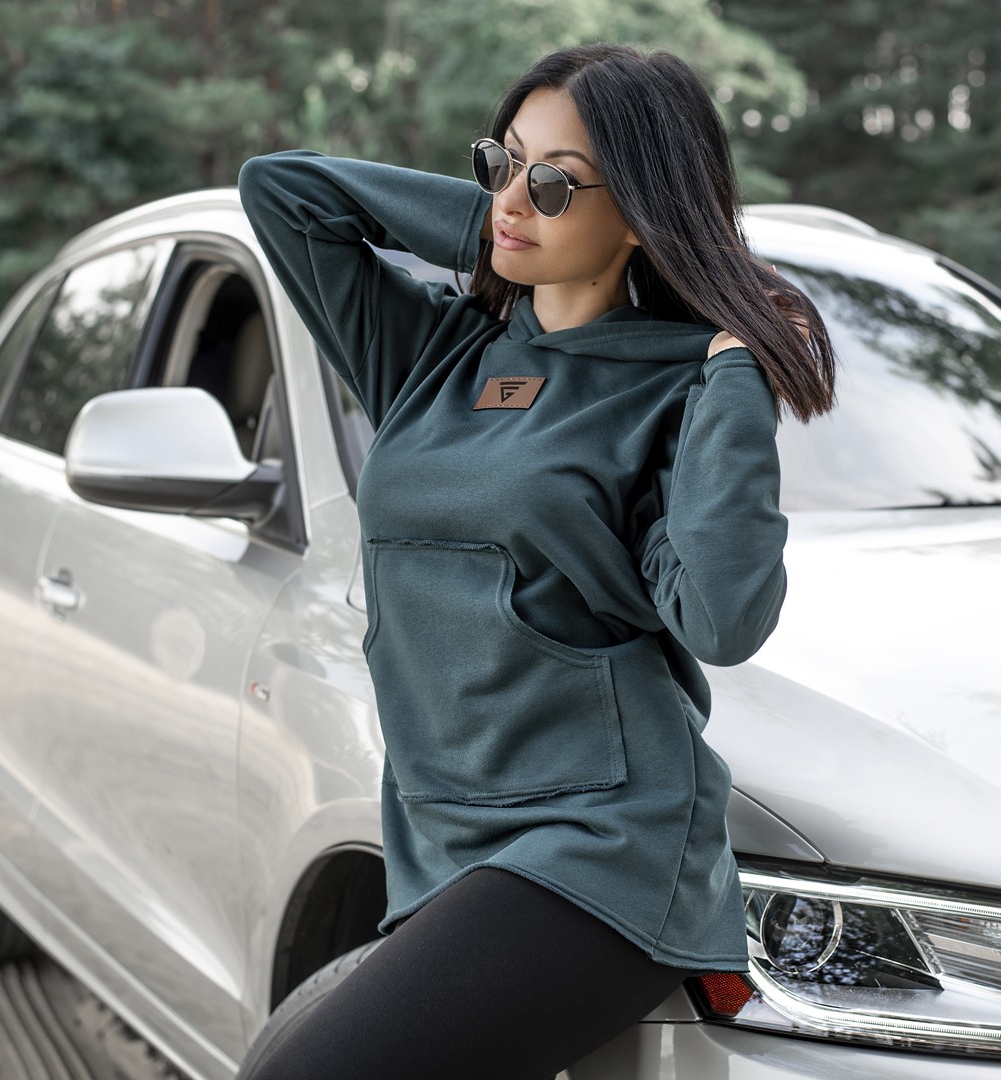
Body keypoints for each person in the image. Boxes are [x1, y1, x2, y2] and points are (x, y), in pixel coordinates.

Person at [237, 41, 835, 1080]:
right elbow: (283, 193)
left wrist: (736, 374)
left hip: (598, 844)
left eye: (556, 183)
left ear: (643, 212)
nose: (513, 198)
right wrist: (508, 224)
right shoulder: (435, 356)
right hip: (443, 834)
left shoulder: (679, 390)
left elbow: (723, 619)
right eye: (502, 163)